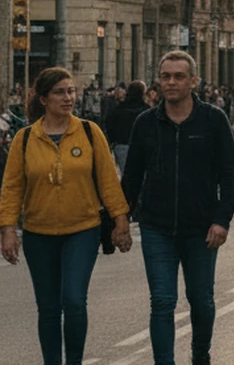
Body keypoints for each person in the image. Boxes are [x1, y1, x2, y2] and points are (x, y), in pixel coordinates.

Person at [0, 66, 133, 365]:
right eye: (60, 92)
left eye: (71, 91)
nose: (68, 97)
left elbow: (109, 181)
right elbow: (11, 189)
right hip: (38, 233)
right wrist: (8, 229)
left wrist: (120, 220)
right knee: (48, 308)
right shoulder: (24, 139)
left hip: (82, 230)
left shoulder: (89, 131)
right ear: (44, 99)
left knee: (73, 301)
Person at [121, 51, 234, 365]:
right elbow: (131, 177)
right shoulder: (146, 123)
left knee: (201, 300)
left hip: (202, 229)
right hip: (156, 227)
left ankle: (201, 356)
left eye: (178, 76)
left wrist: (222, 221)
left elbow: (230, 176)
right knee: (162, 301)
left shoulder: (214, 120)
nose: (170, 83)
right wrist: (120, 219)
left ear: (193, 81)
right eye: (165, 76)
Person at [105, 78, 150, 173]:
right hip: (143, 146)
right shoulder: (146, 111)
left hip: (122, 145)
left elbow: (110, 126)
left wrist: (113, 142)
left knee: (127, 175)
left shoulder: (118, 109)